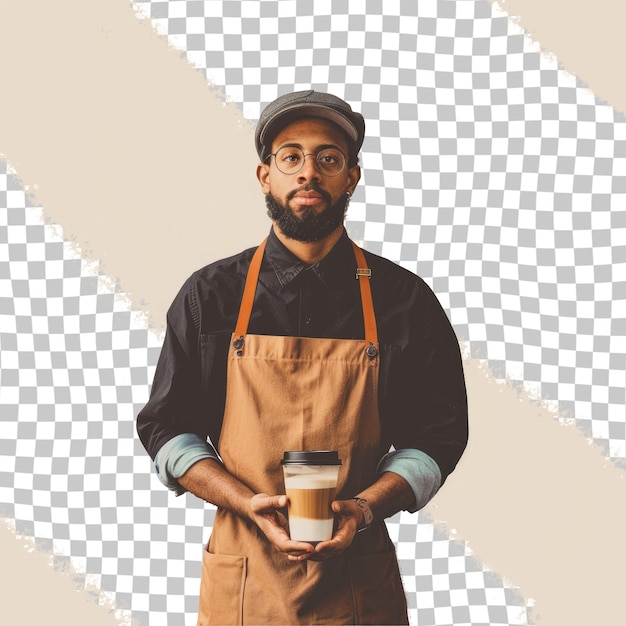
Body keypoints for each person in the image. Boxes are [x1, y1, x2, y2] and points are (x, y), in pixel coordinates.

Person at [137, 89, 468, 625]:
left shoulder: (403, 299)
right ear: (265, 175)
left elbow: (438, 437)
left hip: (358, 583)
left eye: (328, 158)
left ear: (352, 177)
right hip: (245, 581)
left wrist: (363, 508)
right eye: (291, 156)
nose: (308, 171)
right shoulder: (210, 295)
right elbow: (167, 429)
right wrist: (245, 502)